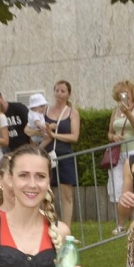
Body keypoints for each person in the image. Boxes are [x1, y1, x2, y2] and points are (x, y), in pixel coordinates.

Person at [42, 80, 80, 226]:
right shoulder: (45, 110)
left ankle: (66, 228)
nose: (59, 94)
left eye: (62, 91)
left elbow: (74, 137)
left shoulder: (72, 112)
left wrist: (54, 135)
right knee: (45, 193)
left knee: (66, 195)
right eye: (57, 90)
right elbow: (32, 128)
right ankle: (48, 225)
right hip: (46, 155)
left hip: (64, 155)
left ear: (69, 94)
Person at [106, 79, 134, 233]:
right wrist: (113, 137)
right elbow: (110, 132)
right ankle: (120, 224)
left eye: (126, 92)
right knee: (117, 187)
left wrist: (128, 113)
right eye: (120, 93)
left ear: (132, 94)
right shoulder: (115, 111)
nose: (123, 95)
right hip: (118, 154)